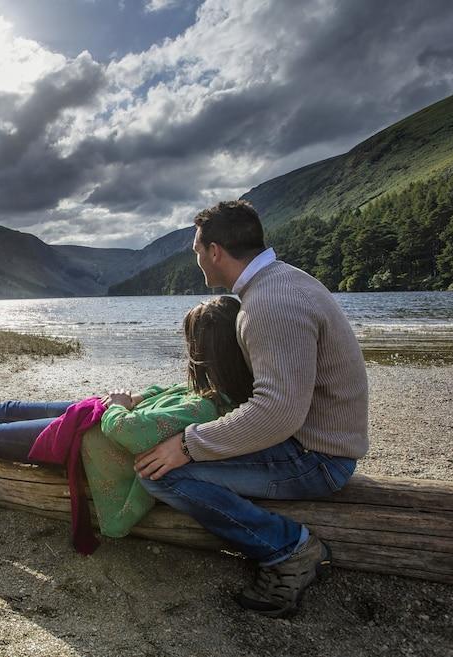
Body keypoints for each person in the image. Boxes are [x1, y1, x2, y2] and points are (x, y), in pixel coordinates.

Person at [133, 200, 368, 618]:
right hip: (314, 440)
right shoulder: (279, 283)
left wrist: (187, 445)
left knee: (162, 474)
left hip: (317, 457)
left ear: (215, 251)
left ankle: (289, 550)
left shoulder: (270, 303)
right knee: (169, 461)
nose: (198, 260)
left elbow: (277, 412)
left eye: (197, 251)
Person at [0, 296, 254, 541]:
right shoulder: (209, 391)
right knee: (8, 408)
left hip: (87, 445)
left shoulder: (207, 408)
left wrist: (117, 404)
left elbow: (128, 432)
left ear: (203, 351)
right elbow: (170, 388)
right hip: (91, 421)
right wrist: (138, 396)